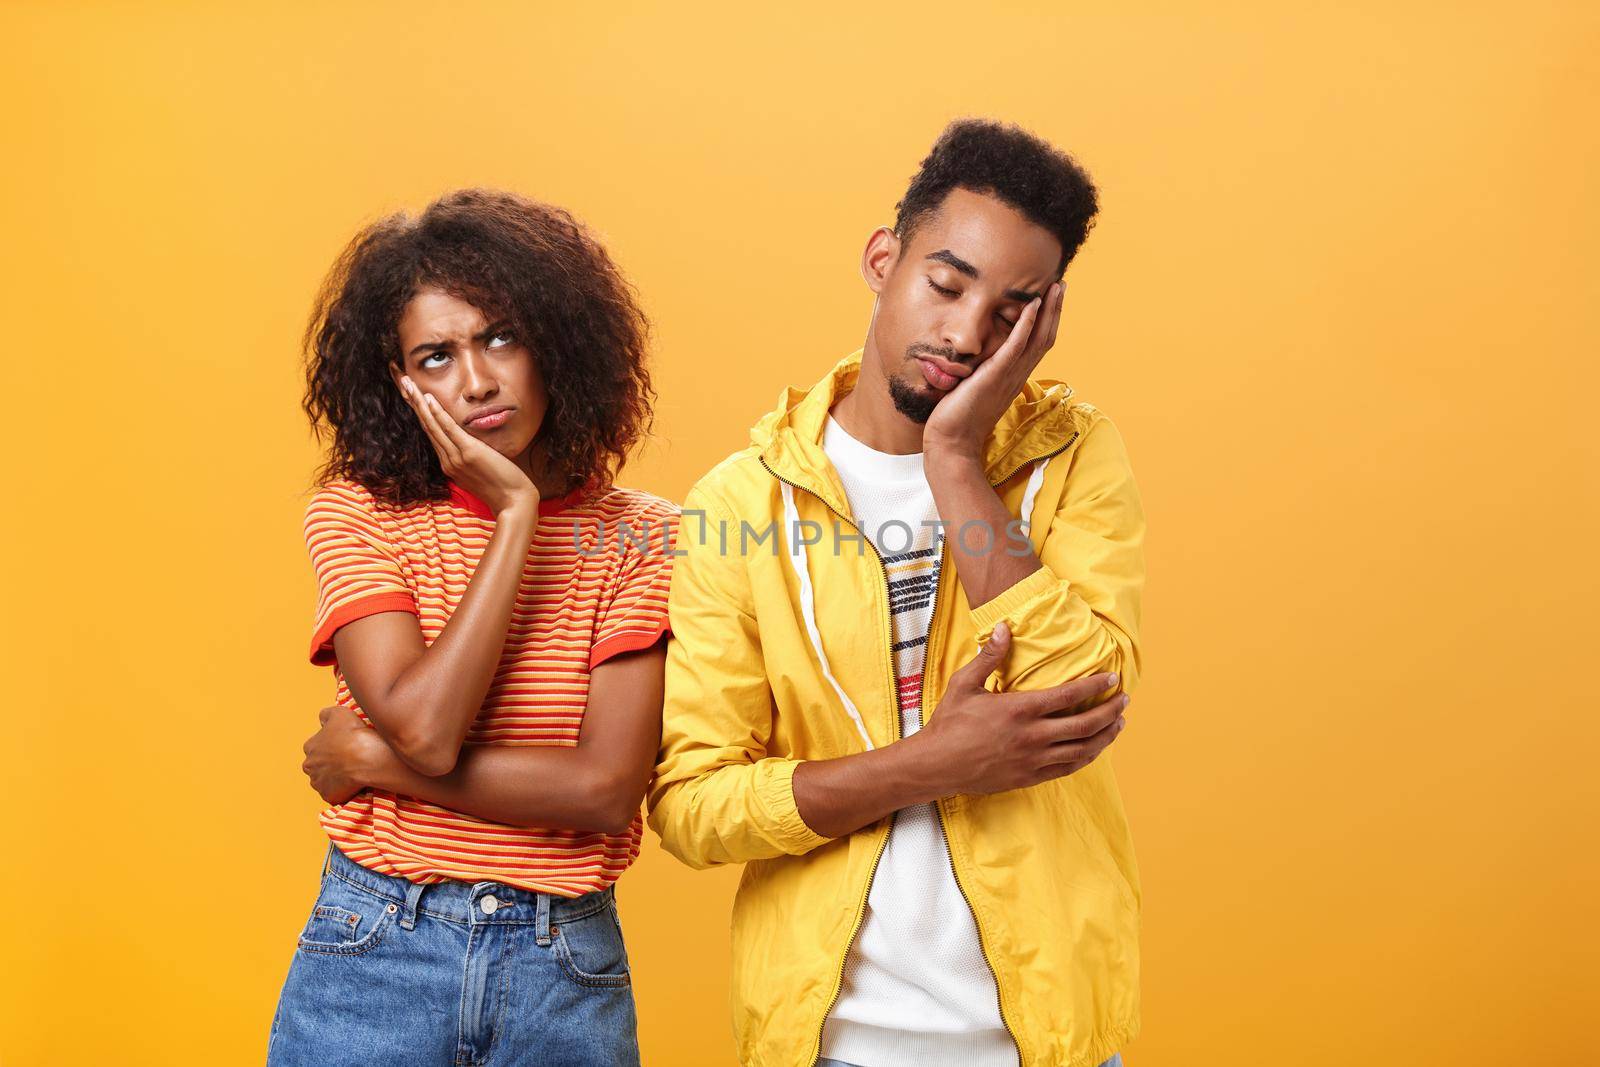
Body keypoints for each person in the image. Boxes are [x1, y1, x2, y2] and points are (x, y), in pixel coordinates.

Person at [649, 119, 1145, 1067]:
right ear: (885, 259)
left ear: (1045, 320)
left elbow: (1090, 692)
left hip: (1047, 1042)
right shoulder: (739, 503)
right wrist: (932, 762)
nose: (965, 333)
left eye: (1012, 311)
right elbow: (693, 804)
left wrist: (955, 458)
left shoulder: (1071, 455)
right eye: (946, 284)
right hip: (831, 1043)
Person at [267, 188, 676, 1067]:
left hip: (561, 966)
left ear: (556, 343)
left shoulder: (647, 535)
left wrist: (377, 763)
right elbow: (427, 721)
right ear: (400, 382)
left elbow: (605, 788)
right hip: (376, 948)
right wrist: (517, 517)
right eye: (436, 355)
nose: (477, 380)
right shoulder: (358, 515)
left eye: (499, 337)